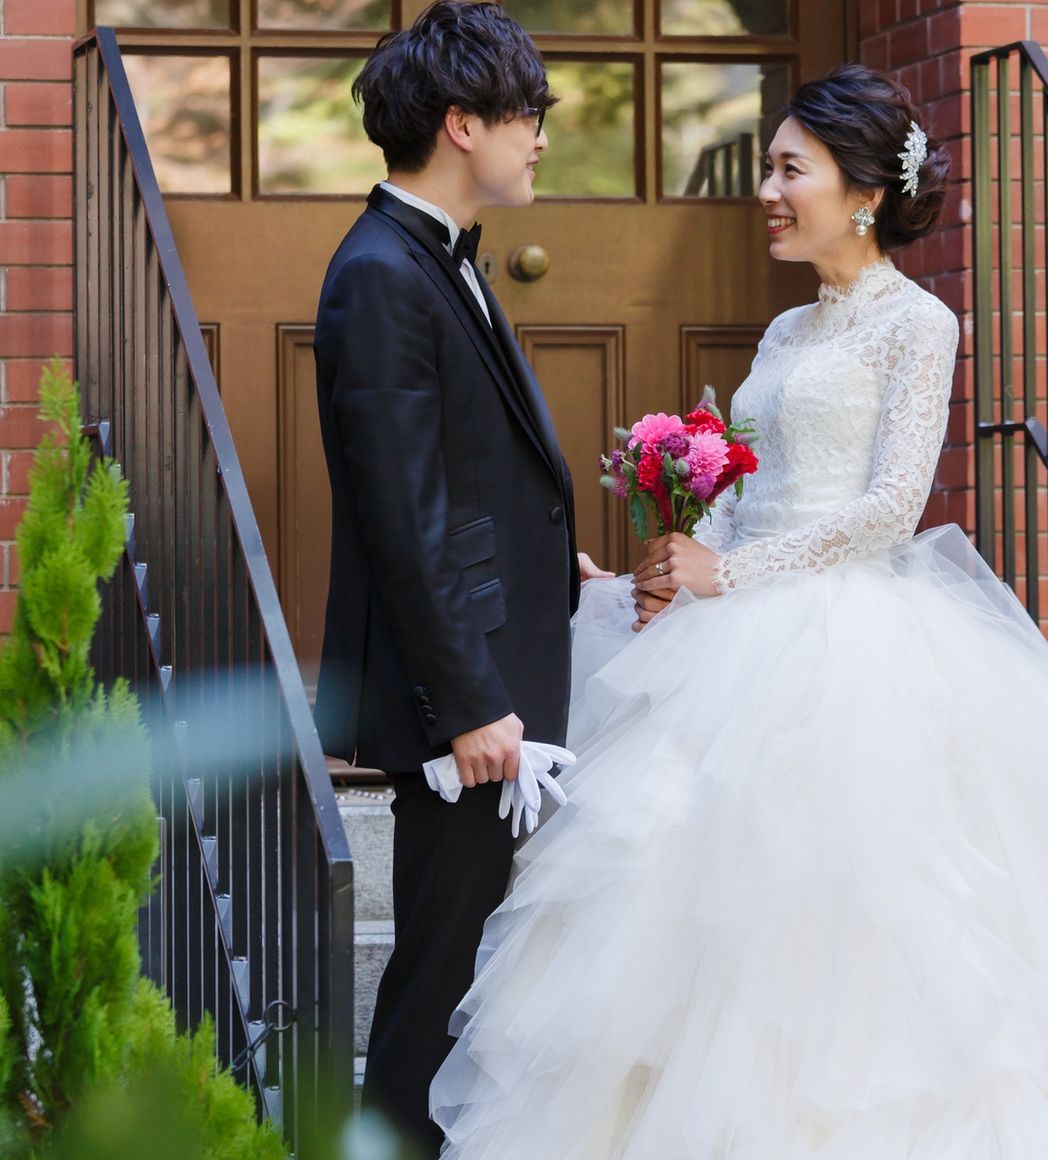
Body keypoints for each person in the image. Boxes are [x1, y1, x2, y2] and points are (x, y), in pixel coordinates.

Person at [429, 64, 1048, 1157]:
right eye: (767, 168)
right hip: (735, 628)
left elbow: (890, 506)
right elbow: (747, 494)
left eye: (788, 170)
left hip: (847, 643)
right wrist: (663, 570)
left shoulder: (917, 323)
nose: (766, 191)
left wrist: (733, 574)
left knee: (844, 909)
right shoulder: (782, 334)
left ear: (863, 191)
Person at [312, 3, 609, 1151]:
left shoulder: (437, 255)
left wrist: (548, 560)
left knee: (467, 965)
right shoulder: (381, 272)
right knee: (436, 983)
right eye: (526, 114)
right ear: (460, 123)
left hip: (491, 671)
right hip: (465, 704)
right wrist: (470, 702)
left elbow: (460, 477)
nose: (539, 137)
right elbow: (399, 512)